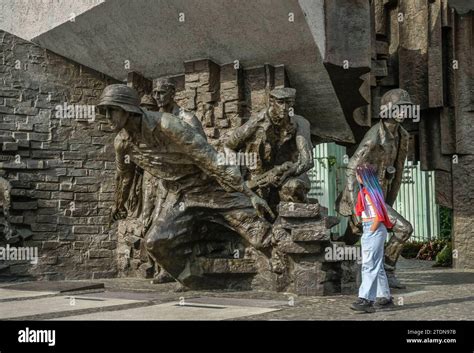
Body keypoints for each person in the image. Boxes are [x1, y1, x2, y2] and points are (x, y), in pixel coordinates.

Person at [98, 84, 274, 288]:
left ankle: (290, 272)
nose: (106, 116)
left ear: (127, 109)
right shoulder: (122, 143)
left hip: (212, 187)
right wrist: (119, 205)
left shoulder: (168, 124)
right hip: (180, 194)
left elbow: (211, 159)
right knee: (156, 242)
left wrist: (248, 193)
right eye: (104, 111)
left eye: (111, 110)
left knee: (259, 234)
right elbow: (124, 177)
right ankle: (201, 283)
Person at [225, 87, 313, 211]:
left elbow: (307, 161)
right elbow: (228, 146)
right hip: (259, 178)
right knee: (257, 210)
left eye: (288, 103)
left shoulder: (301, 123)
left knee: (294, 188)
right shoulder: (255, 123)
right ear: (272, 101)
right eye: (280, 102)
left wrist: (286, 173)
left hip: (289, 175)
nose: (285, 107)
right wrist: (236, 178)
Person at [350, 164, 395, 313]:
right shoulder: (370, 191)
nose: (357, 177)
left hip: (373, 229)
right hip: (373, 229)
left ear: (363, 176)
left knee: (368, 265)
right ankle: (385, 297)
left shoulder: (369, 193)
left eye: (358, 174)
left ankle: (366, 300)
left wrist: (369, 230)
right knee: (377, 265)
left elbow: (378, 217)